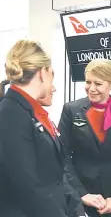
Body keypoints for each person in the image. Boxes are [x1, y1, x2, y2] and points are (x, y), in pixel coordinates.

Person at [58, 59, 111, 217]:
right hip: (82, 198)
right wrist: (82, 194)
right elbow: (63, 156)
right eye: (88, 82)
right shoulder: (71, 110)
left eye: (98, 83)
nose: (92, 88)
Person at [0, 40, 72, 217]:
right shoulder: (11, 114)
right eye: (52, 74)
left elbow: (53, 175)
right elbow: (27, 185)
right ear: (43, 73)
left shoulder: (30, 112)